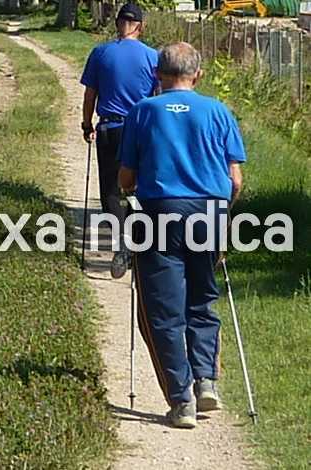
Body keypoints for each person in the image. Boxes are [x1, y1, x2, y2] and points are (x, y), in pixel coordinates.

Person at [118, 42, 246, 429]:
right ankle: (206, 379)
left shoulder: (142, 112)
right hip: (208, 213)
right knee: (202, 300)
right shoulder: (219, 111)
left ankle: (181, 399)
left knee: (163, 311)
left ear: (158, 74)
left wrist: (131, 190)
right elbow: (235, 180)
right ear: (198, 74)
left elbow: (126, 178)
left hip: (159, 214)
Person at [80, 2, 158, 278]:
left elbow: (90, 94)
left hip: (110, 129)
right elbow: (158, 97)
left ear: (117, 24)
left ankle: (121, 245)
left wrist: (86, 123)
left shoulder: (101, 53)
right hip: (141, 130)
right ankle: (139, 245)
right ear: (140, 26)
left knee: (111, 191)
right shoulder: (153, 57)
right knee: (139, 188)